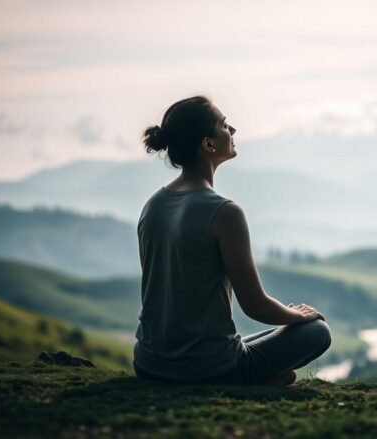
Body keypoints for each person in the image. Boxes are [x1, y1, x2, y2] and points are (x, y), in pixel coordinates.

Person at [133, 95, 331, 386]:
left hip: (148, 363)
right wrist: (298, 316)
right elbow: (255, 305)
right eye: (224, 125)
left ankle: (262, 379)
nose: (232, 131)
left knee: (256, 341)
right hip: (207, 369)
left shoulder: (152, 205)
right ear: (208, 144)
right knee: (318, 332)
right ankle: (254, 381)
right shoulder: (224, 213)